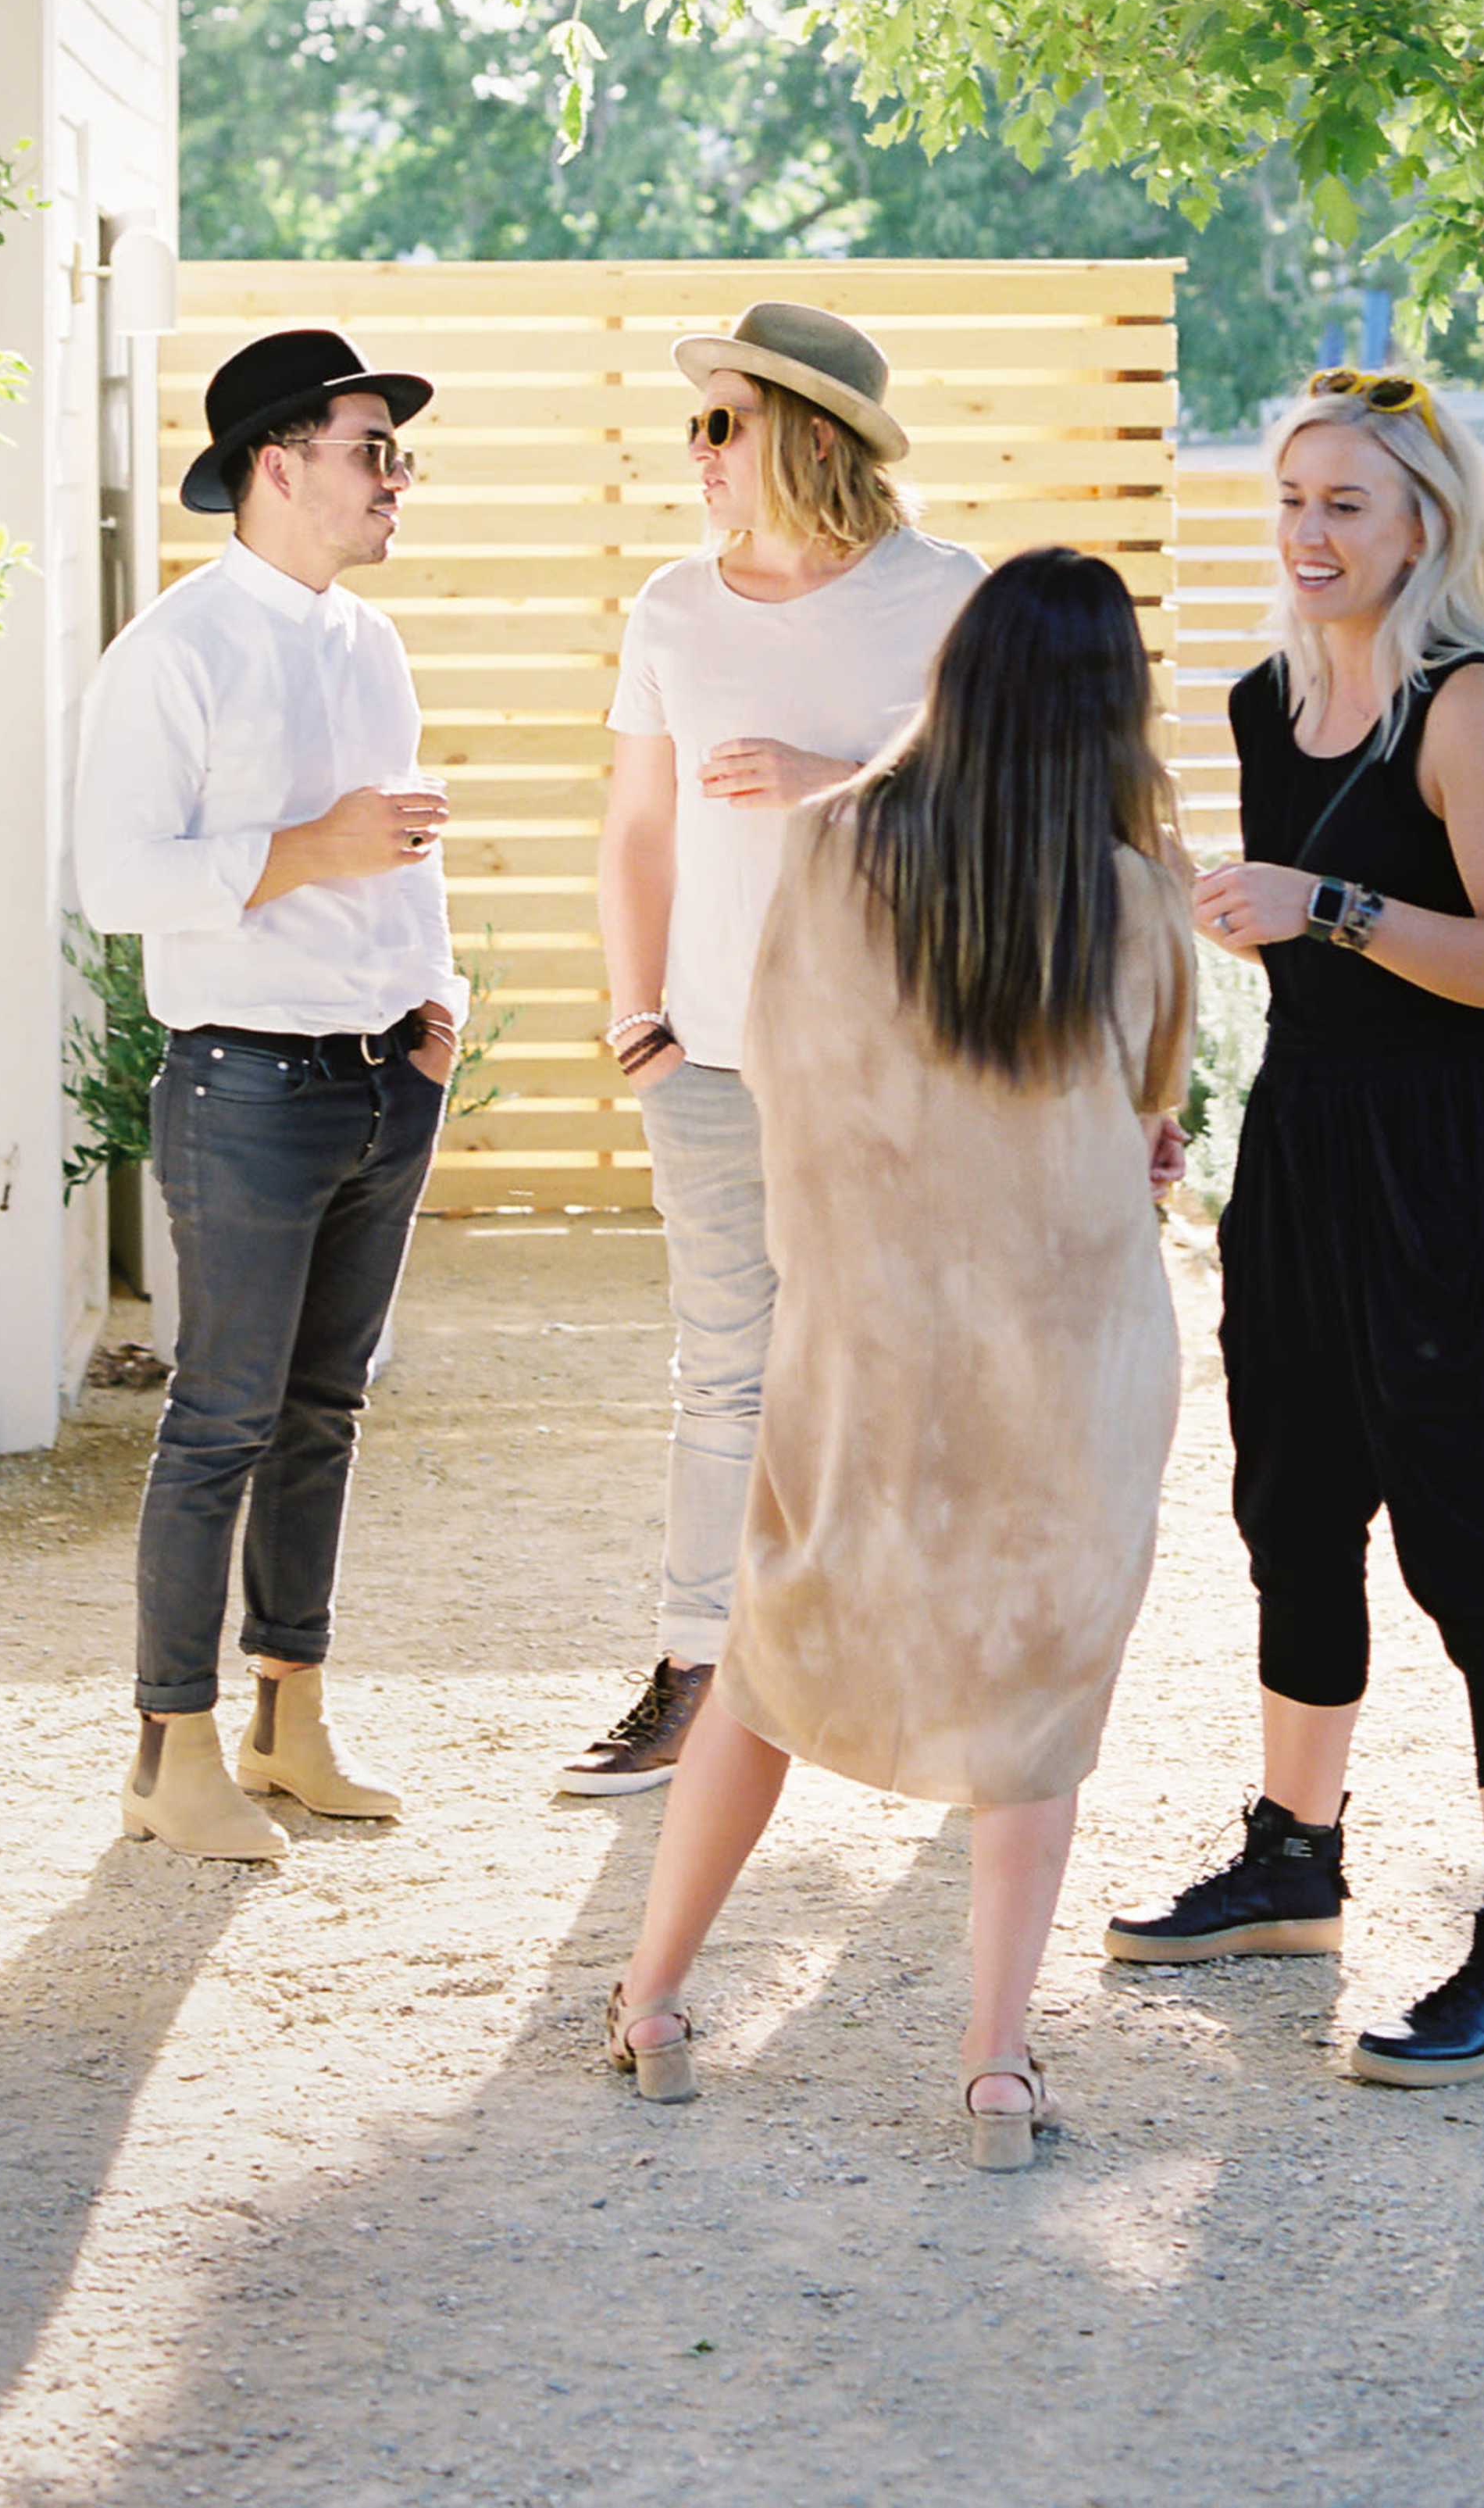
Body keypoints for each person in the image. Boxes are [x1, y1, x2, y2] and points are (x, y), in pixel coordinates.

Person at [603, 549, 1194, 2170]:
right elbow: (1150, 1107)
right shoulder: (1133, 894)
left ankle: (653, 1998)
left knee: (776, 1651)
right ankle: (997, 2064)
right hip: (1075, 1350)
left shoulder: (831, 851)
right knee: (1039, 1692)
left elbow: (785, 1084)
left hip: (864, 1337)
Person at [1108, 363, 1484, 2086]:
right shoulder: (1264, 700)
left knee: (1478, 1549)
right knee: (1293, 1513)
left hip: (1443, 1161)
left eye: (1349, 505)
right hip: (1303, 1138)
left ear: (1421, 524)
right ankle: (1294, 1860)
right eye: (1295, 500)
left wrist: (1331, 901)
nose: (1312, 534)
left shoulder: (1469, 705)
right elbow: (1279, 946)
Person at [564, 299, 981, 1795]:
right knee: (724, 1375)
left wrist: (839, 778)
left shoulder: (947, 595)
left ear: (814, 434)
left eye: (721, 422)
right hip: (712, 1061)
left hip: (893, 1064)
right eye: (694, 425)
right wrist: (639, 1015)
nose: (698, 451)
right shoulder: (672, 607)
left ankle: (929, 1675)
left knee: (899, 1365)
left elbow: (1003, 817)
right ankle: (696, 1669)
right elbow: (635, 827)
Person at [73, 326, 464, 1865]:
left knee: (325, 1409)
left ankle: (287, 1720)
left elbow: (399, 841)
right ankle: (169, 1753)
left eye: (398, 455)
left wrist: (437, 1010)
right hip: (239, 1081)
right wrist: (318, 841)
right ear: (277, 464)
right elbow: (118, 880)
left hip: (382, 1074)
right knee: (219, 1418)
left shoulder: (368, 641)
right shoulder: (171, 653)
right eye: (376, 451)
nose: (397, 480)